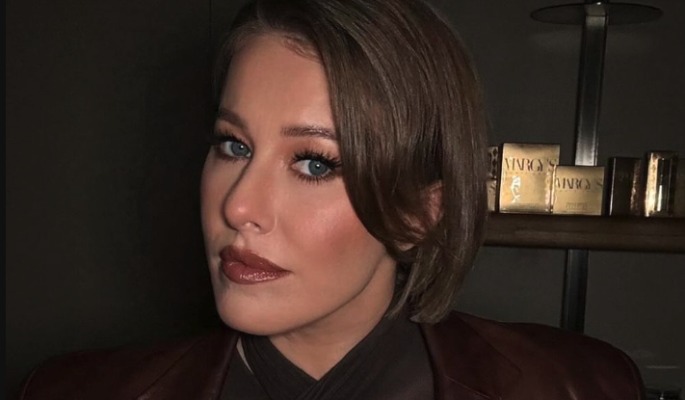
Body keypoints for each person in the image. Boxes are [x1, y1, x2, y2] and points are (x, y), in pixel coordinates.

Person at [16, 0, 644, 399]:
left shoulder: (579, 387)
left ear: (420, 213)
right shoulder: (68, 390)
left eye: (315, 163)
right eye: (233, 145)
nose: (238, 207)